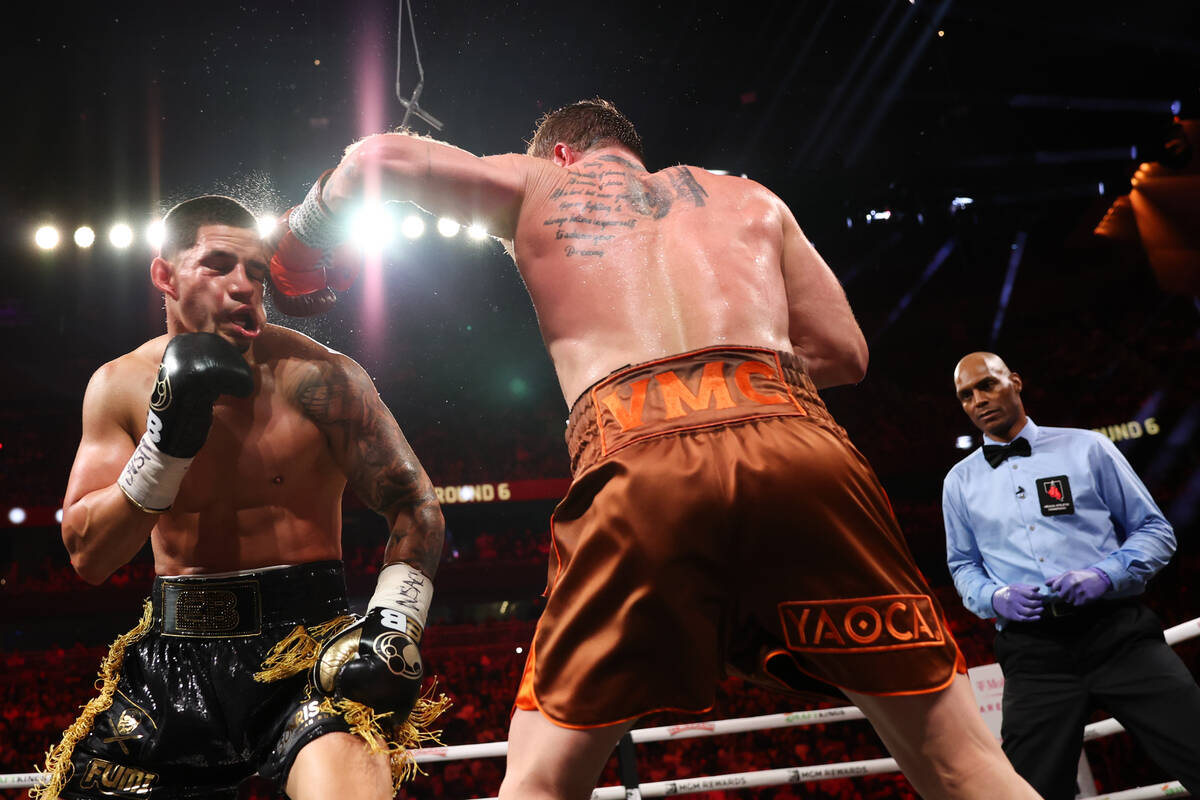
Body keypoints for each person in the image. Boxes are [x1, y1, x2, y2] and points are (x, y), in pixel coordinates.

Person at [269, 99, 1038, 799]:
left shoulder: (544, 185)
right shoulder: (751, 197)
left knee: (540, 779)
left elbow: (373, 162)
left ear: (561, 154)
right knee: (964, 764)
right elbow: (844, 352)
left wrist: (301, 244)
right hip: (802, 444)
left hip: (638, 458)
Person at [39, 196, 446, 800]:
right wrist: (163, 451)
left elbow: (416, 507)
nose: (244, 286)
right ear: (164, 276)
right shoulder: (120, 385)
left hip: (306, 650)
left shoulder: (322, 379)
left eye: (256, 272)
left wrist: (394, 624)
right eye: (218, 265)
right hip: (171, 662)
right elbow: (88, 557)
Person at [944, 351, 1200, 799]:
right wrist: (994, 596)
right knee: (1027, 791)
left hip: (1117, 634)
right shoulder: (959, 482)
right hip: (1034, 655)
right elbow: (963, 565)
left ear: (1015, 382)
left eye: (987, 385)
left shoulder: (1087, 447)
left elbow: (1155, 530)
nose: (978, 401)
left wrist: (1105, 575)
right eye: (966, 395)